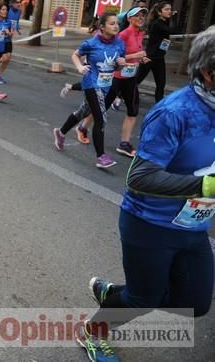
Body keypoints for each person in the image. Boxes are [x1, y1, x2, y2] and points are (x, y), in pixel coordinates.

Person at [76, 26, 215, 362]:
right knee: (144, 299)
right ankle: (92, 331)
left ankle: (115, 294)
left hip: (194, 226)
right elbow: (139, 177)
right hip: (150, 224)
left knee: (196, 304)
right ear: (209, 73)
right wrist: (206, 186)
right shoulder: (176, 113)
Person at [52, 12, 127, 169]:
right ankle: (101, 157)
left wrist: (121, 63)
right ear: (102, 26)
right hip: (91, 84)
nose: (116, 26)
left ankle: (61, 132)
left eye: (117, 23)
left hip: (105, 85)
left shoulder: (120, 44)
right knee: (101, 118)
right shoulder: (91, 43)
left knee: (83, 112)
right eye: (112, 23)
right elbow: (75, 55)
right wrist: (80, 67)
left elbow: (118, 66)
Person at [110, 7, 149, 158]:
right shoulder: (123, 34)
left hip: (130, 78)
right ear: (129, 19)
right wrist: (136, 54)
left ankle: (124, 144)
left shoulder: (140, 33)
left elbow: (135, 54)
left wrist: (140, 58)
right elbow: (115, 56)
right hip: (117, 77)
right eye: (137, 16)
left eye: (142, 16)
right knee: (101, 107)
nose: (141, 18)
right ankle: (83, 127)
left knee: (133, 111)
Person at [135, 1, 174, 103]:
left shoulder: (165, 22)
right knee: (138, 79)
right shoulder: (157, 24)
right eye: (166, 9)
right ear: (159, 12)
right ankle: (120, 94)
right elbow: (171, 30)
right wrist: (174, 17)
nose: (170, 11)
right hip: (150, 57)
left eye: (170, 9)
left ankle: (159, 104)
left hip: (160, 57)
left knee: (161, 83)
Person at [0, 0, 22, 84]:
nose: (19, 4)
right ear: (12, 3)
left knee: (8, 59)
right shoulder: (7, 11)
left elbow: (17, 22)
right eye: (17, 2)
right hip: (3, 37)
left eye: (19, 2)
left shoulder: (19, 11)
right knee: (4, 58)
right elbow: (2, 21)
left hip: (9, 38)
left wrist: (18, 29)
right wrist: (7, 30)